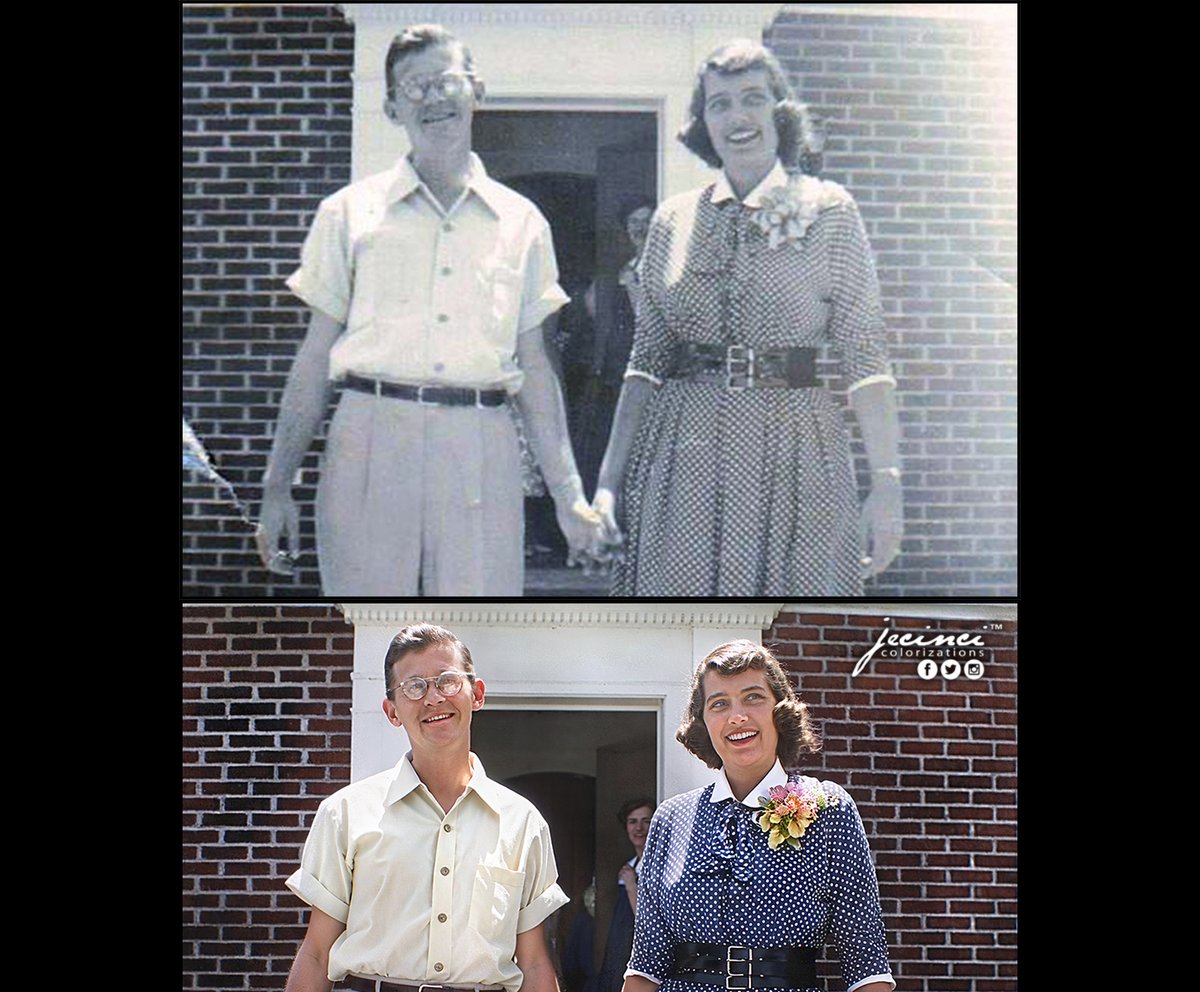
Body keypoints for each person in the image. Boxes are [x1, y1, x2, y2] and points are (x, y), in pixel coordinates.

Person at [253, 623, 609, 992]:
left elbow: (536, 966)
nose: (433, 698)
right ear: (392, 710)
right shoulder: (346, 813)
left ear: (477, 693)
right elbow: (316, 955)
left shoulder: (523, 823)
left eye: (447, 680)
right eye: (413, 687)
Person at [254, 24, 599, 594]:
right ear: (392, 108)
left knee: (473, 636)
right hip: (369, 437)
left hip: (480, 443)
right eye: (414, 87)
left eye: (446, 81)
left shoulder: (523, 223)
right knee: (370, 636)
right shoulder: (348, 213)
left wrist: (569, 497)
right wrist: (276, 486)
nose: (433, 98)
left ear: (477, 90)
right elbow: (315, 356)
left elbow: (535, 368)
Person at [580, 640, 902, 992]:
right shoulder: (673, 820)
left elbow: (865, 963)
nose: (737, 716)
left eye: (752, 697)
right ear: (703, 723)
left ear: (780, 709)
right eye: (718, 703)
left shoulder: (828, 810)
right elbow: (644, 966)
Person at [591, 41, 903, 596]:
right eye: (720, 104)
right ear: (701, 122)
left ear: (779, 111)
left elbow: (864, 353)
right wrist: (608, 485)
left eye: (753, 99)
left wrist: (887, 485)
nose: (738, 117)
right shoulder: (672, 220)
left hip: (795, 446)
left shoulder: (830, 210)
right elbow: (646, 363)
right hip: (683, 452)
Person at [569, 797, 656, 992]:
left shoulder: (654, 868)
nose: (639, 828)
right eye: (633, 822)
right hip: (615, 960)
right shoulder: (625, 868)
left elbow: (650, 921)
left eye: (646, 820)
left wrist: (632, 886)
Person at [570, 198, 654, 499]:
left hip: (644, 373)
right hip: (612, 371)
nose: (641, 228)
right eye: (634, 222)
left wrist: (632, 287)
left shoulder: (661, 269)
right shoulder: (623, 267)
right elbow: (594, 311)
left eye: (647, 220)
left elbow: (651, 320)